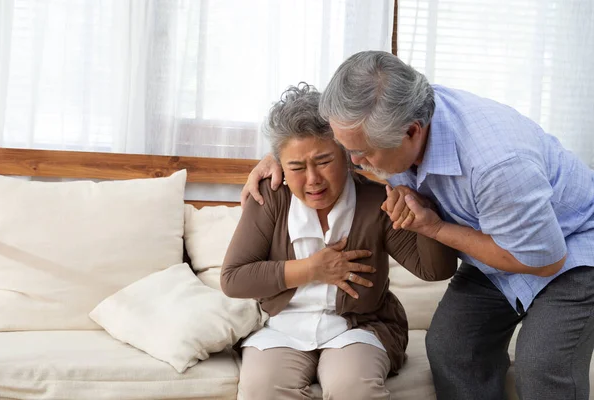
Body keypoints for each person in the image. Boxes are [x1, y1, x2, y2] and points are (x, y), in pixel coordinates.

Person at [241, 51, 594, 400]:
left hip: (569, 249)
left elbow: (543, 260)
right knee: (451, 347)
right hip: (497, 244)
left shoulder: (496, 165)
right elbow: (330, 131)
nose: (353, 162)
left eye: (362, 153)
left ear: (411, 131)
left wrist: (436, 228)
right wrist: (279, 157)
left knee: (541, 365)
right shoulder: (394, 113)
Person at [221, 83, 457, 400]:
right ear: (281, 166)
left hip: (360, 327)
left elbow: (435, 271)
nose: (313, 179)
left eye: (323, 161)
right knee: (261, 388)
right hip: (283, 327)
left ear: (346, 154)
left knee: (352, 386)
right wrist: (312, 269)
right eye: (296, 167)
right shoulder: (271, 198)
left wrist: (426, 213)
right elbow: (234, 279)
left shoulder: (377, 201)